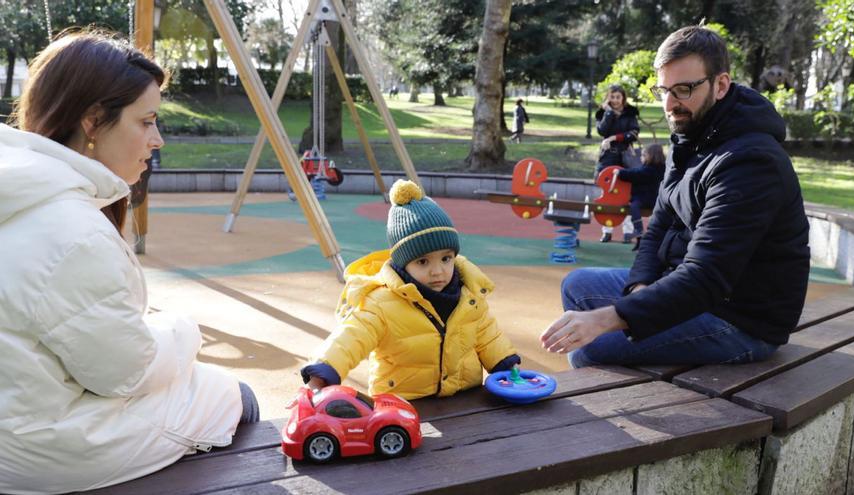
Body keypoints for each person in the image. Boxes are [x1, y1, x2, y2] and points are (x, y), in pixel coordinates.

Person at [0, 30, 258, 495]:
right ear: (94, 122)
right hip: (32, 450)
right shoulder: (70, 230)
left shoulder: (19, 190)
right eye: (147, 121)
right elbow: (126, 373)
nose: (157, 139)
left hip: (19, 418)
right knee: (230, 395)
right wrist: (185, 331)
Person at [541, 25, 810, 368]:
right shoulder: (690, 135)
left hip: (740, 320)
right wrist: (640, 289)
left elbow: (706, 276)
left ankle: (620, 412)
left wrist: (612, 318)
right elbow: (660, 225)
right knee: (577, 285)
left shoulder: (752, 162)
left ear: (721, 85)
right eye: (663, 90)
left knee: (590, 349)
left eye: (683, 89)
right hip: (692, 289)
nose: (670, 104)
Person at [302, 180, 520, 399]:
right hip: (401, 405)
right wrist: (321, 374)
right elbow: (349, 339)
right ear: (403, 264)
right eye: (423, 262)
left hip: (463, 398)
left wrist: (506, 366)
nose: (438, 271)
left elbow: (487, 335)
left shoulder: (470, 294)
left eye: (446, 258)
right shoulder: (381, 303)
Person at [594, 85, 640, 242]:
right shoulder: (602, 113)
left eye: (618, 97)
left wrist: (614, 138)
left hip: (625, 157)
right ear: (608, 98)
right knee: (608, 192)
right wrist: (608, 113)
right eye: (612, 97)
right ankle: (607, 230)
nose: (615, 101)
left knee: (627, 194)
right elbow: (602, 130)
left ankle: (628, 231)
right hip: (608, 157)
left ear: (623, 98)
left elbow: (633, 133)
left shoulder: (630, 113)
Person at [613, 143, 666, 246]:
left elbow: (635, 174)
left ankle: (638, 229)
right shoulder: (659, 168)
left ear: (651, 156)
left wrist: (620, 173)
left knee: (634, 206)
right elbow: (636, 172)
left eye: (643, 155)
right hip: (653, 198)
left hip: (647, 198)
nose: (641, 158)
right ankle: (639, 240)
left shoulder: (650, 169)